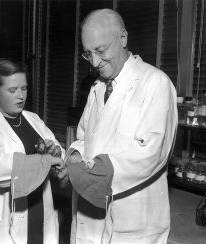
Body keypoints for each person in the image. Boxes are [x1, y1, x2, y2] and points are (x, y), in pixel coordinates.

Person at [61, 8, 178, 244]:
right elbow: (85, 136)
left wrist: (88, 172)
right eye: (87, 54)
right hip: (90, 215)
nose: (94, 62)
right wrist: (74, 156)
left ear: (123, 38)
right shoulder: (98, 87)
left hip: (132, 222)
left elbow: (151, 153)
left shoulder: (155, 83)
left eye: (100, 50)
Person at [0, 58, 65, 244]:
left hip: (40, 209)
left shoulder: (32, 119)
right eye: (12, 90)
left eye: (24, 88)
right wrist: (45, 161)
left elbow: (59, 151)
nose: (21, 96)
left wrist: (55, 151)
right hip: (5, 218)